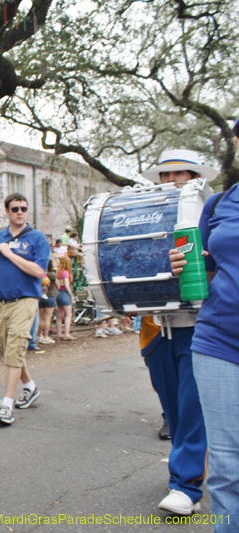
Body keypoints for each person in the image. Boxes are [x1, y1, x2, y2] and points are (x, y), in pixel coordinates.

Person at [140, 149, 213, 516]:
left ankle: (185, 485)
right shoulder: (143, 212)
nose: (170, 181)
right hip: (155, 326)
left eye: (178, 174)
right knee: (173, 409)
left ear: (195, 176)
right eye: (164, 176)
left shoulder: (210, 209)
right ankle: (196, 465)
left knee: (190, 406)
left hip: (199, 325)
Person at [171, 141, 239, 527]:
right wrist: (185, 264)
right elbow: (207, 266)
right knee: (227, 469)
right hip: (219, 342)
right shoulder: (219, 205)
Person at [0, 193, 49, 426]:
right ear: (7, 211)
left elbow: (39, 272)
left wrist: (10, 254)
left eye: (24, 208)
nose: (20, 212)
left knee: (17, 343)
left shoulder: (37, 238)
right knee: (11, 349)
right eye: (15, 208)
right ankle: (30, 386)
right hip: (0, 302)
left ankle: (7, 405)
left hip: (25, 300)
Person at [55, 255, 76, 340]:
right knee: (68, 314)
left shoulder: (58, 272)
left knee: (59, 315)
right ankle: (67, 333)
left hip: (58, 292)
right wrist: (71, 295)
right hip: (64, 293)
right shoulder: (66, 273)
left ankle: (59, 333)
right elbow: (67, 285)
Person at [37, 258, 57, 344]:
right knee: (47, 318)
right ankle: (46, 336)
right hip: (50, 296)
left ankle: (39, 335)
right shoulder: (52, 275)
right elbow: (58, 285)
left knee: (40, 317)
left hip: (41, 297)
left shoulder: (40, 274)